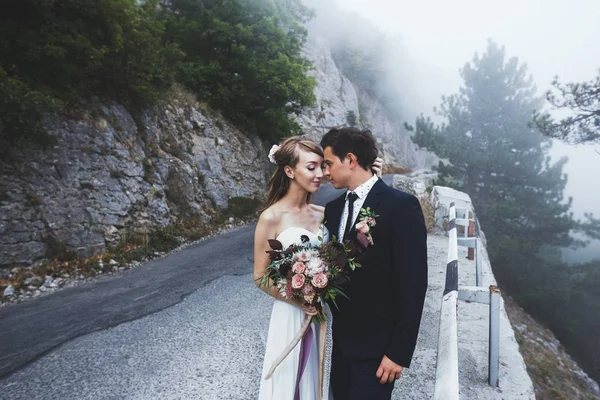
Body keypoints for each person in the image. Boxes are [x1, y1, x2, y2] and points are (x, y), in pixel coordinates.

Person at [254, 136, 382, 400]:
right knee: (287, 379)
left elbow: (355, 230)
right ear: (289, 171)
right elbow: (260, 277)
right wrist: (298, 298)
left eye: (323, 166)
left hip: (317, 315)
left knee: (313, 379)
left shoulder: (325, 214)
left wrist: (372, 179)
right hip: (290, 313)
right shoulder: (271, 217)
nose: (321, 174)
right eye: (311, 167)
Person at [320, 127, 428, 400]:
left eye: (329, 163)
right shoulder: (333, 210)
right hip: (342, 347)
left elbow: (413, 285)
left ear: (351, 160)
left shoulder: (401, 206)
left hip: (379, 352)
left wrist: (398, 353)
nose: (324, 172)